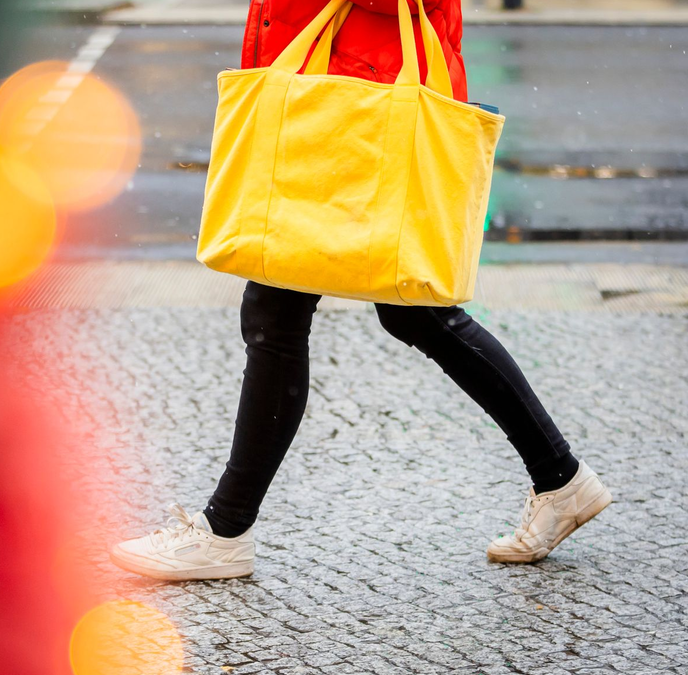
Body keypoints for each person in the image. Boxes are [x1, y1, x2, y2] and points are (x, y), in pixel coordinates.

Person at [109, 0, 612, 581]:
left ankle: (226, 531)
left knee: (287, 305)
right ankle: (560, 476)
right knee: (397, 312)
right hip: (340, 82)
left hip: (358, 93)